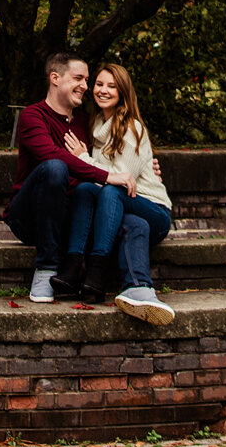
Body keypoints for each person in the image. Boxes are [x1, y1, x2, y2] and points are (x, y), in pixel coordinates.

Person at [4, 51, 132, 303]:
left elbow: (112, 153)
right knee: (55, 167)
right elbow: (53, 155)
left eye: (86, 80)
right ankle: (46, 267)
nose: (85, 86)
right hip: (29, 217)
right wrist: (108, 176)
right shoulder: (33, 116)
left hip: (70, 217)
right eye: (78, 78)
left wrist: (145, 165)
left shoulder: (86, 122)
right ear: (55, 78)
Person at [62, 62, 174, 326]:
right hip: (131, 211)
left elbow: (121, 180)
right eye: (99, 84)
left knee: (110, 190)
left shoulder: (131, 128)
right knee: (132, 224)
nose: (103, 90)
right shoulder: (97, 126)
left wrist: (84, 160)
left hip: (154, 209)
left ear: (122, 92)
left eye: (112, 86)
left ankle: (96, 271)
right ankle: (139, 288)